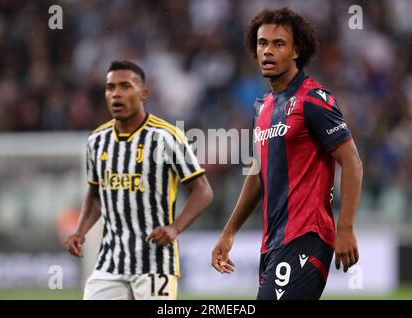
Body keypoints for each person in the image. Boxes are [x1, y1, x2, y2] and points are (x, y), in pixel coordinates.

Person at [211, 8, 363, 300]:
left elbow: (352, 161)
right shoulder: (262, 106)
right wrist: (229, 232)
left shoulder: (314, 99)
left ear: (296, 50)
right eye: (262, 43)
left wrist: (345, 227)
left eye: (278, 44)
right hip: (273, 243)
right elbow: (258, 176)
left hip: (307, 236)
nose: (267, 51)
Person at [65, 60, 213, 300]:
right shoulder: (97, 140)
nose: (116, 94)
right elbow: (95, 195)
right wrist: (80, 231)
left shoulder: (167, 137)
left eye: (125, 86)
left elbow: (204, 191)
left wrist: (175, 228)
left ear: (143, 93)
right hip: (110, 261)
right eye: (110, 87)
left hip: (155, 262)